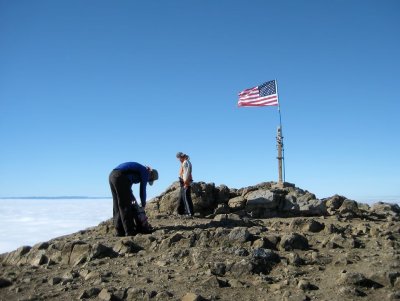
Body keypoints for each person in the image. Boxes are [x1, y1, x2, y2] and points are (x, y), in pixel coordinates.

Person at [109, 162, 158, 236]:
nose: (148, 181)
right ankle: (130, 231)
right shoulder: (145, 172)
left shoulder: (138, 170)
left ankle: (119, 231)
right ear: (151, 175)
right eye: (150, 180)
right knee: (125, 205)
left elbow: (128, 185)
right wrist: (143, 204)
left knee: (117, 205)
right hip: (120, 177)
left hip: (112, 176)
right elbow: (142, 190)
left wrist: (131, 196)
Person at [176, 152, 194, 216]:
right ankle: (185, 212)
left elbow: (186, 173)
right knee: (185, 197)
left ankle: (189, 213)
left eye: (179, 158)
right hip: (185, 181)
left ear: (181, 157)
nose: (178, 160)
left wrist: (186, 183)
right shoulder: (186, 162)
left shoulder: (185, 162)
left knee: (186, 197)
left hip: (186, 182)